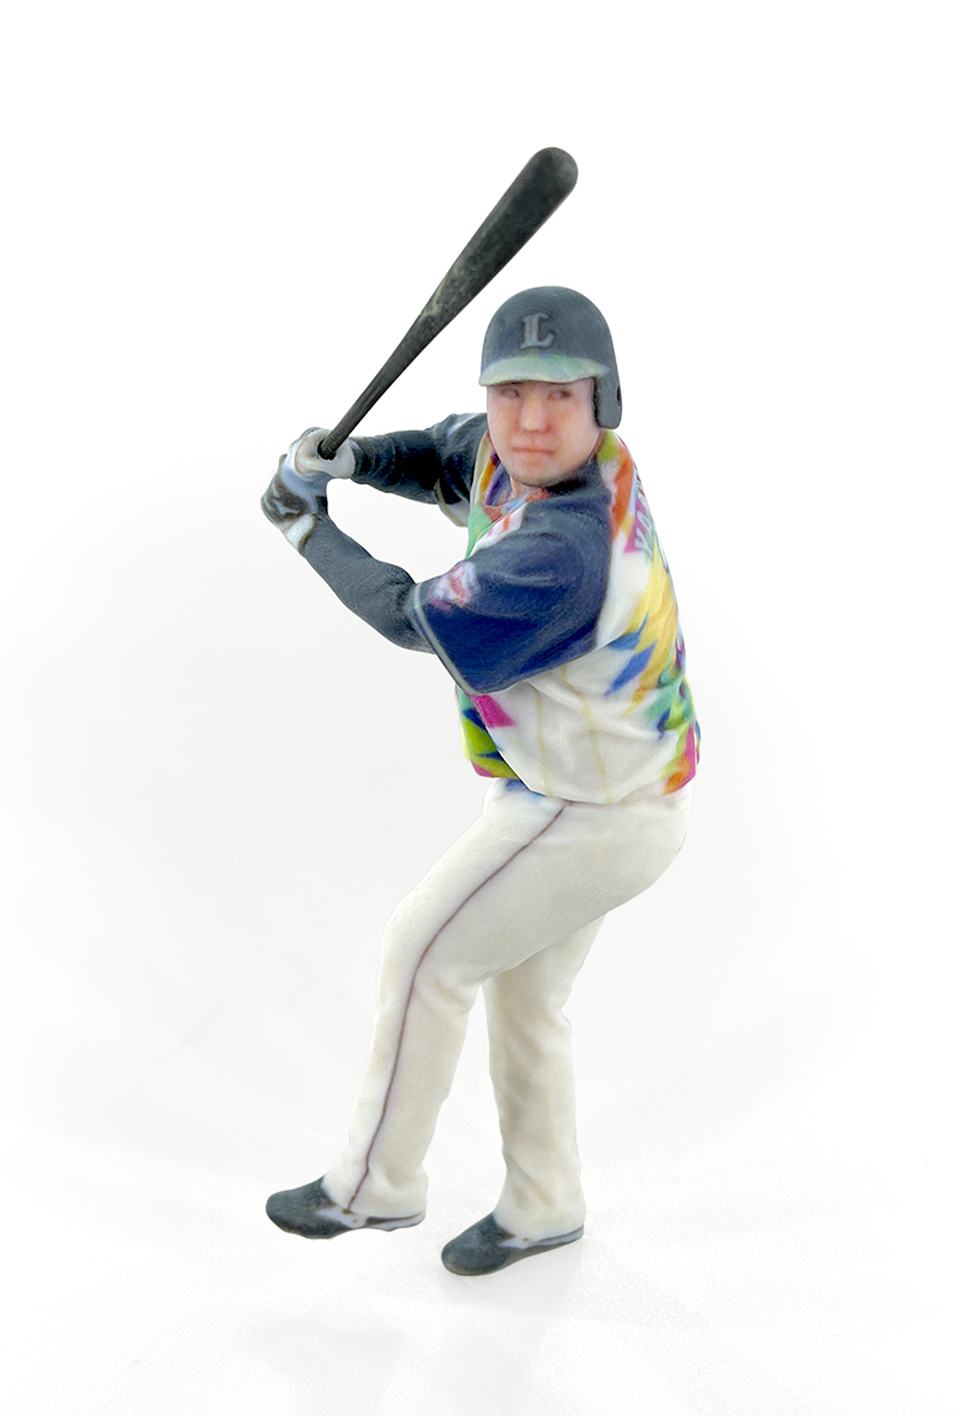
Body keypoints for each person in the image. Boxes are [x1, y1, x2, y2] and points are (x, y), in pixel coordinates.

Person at [260, 286, 699, 1276]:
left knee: (424, 954)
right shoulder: (533, 454)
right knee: (525, 998)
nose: (529, 421)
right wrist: (354, 458)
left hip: (596, 812)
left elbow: (405, 614)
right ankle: (546, 1204)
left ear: (604, 403)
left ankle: (373, 1186)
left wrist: (303, 522)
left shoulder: (566, 552)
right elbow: (446, 454)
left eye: (559, 396)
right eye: (510, 394)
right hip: (597, 785)